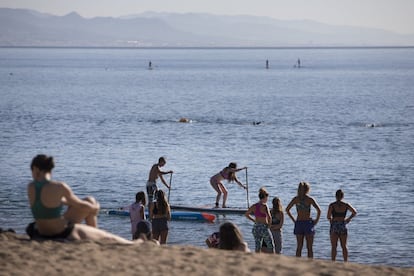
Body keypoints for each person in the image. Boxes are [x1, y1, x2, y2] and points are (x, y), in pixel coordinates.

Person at [27, 154, 142, 244]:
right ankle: (132, 243)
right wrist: (95, 207)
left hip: (39, 231)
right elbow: (80, 205)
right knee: (103, 230)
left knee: (88, 200)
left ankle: (94, 234)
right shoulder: (59, 187)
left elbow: (51, 203)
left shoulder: (31, 187)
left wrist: (70, 203)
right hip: (60, 232)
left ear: (36, 169)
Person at [286, 181, 321, 258]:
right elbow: (319, 210)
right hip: (306, 223)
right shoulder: (307, 199)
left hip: (301, 223)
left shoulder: (297, 199)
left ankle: (299, 263)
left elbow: (287, 210)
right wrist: (316, 221)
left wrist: (294, 220)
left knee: (301, 247)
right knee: (306, 247)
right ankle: (306, 263)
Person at [327, 189, 357, 262]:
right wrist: (348, 219)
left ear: (335, 196)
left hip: (335, 225)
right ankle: (345, 262)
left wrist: (331, 221)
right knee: (344, 246)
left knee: (334, 246)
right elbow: (354, 212)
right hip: (342, 225)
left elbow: (328, 216)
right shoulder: (346, 205)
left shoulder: (332, 205)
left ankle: (333, 262)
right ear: (342, 196)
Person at [245, 187, 275, 253]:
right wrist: (269, 226)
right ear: (264, 197)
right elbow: (269, 217)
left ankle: (256, 258)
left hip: (256, 227)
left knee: (257, 246)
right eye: (267, 198)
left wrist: (253, 220)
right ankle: (273, 258)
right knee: (270, 245)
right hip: (263, 227)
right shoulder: (265, 206)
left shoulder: (254, 206)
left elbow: (246, 214)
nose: (267, 200)